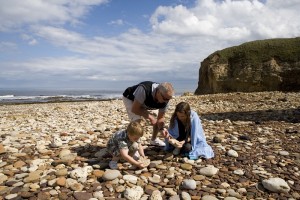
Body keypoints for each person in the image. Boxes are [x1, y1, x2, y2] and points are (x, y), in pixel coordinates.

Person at [123, 81, 174, 147]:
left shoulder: (165, 98)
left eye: (169, 99)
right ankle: (130, 143)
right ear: (158, 92)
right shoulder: (144, 89)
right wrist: (150, 117)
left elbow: (160, 118)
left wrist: (162, 129)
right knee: (136, 121)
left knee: (156, 119)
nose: (166, 101)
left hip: (146, 103)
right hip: (131, 99)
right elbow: (135, 109)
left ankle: (154, 140)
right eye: (165, 98)